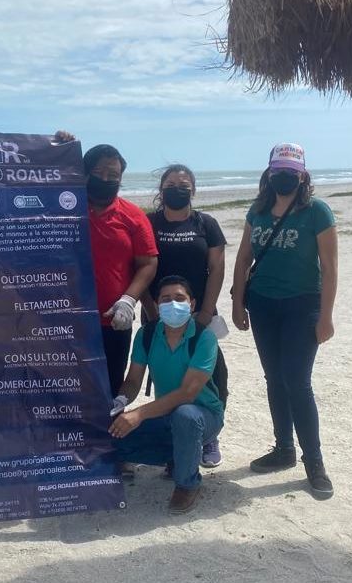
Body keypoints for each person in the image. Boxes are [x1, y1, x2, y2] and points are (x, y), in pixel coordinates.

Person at [232, 143, 338, 498]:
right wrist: (237, 302)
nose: (283, 177)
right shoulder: (258, 209)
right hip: (263, 305)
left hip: (301, 305)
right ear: (268, 172)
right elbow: (244, 256)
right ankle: (284, 450)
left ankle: (315, 461)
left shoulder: (316, 211)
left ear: (302, 175)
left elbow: (330, 267)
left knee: (297, 381)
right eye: (278, 171)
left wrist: (326, 316)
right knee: (274, 378)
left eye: (290, 172)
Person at [110, 276, 224, 514]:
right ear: (157, 304)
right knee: (110, 437)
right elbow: (133, 381)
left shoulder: (204, 338)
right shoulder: (147, 335)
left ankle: (187, 483)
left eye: (180, 298)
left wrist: (139, 413)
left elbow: (188, 393)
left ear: (192, 304)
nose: (173, 304)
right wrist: (120, 401)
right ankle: (179, 457)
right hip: (165, 415)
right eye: (166, 299)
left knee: (186, 416)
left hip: (204, 415)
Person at [142, 164, 228, 468]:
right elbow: (139, 267)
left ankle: (208, 436)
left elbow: (217, 268)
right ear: (161, 189)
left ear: (192, 189)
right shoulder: (147, 223)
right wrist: (152, 313)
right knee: (166, 374)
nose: (176, 187)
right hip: (157, 312)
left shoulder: (206, 224)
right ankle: (174, 436)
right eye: (170, 183)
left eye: (183, 183)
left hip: (198, 314)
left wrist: (205, 311)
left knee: (212, 374)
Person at [84, 144, 158, 395]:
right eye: (99, 172)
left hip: (113, 323)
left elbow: (148, 263)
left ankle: (110, 435)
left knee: (110, 387)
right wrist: (60, 146)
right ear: (84, 173)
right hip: (66, 321)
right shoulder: (63, 207)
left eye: (113, 175)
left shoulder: (134, 216)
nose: (105, 179)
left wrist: (129, 299)